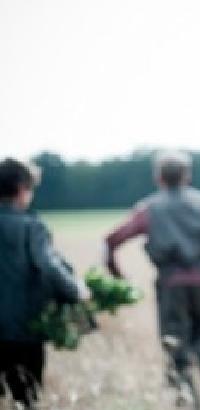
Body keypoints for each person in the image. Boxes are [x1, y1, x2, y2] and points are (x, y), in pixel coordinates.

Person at [104, 150, 200, 408]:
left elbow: (111, 240)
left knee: (174, 342)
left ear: (158, 178)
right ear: (187, 176)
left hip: (170, 283)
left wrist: (116, 273)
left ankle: (189, 399)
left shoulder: (149, 208)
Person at [0, 158, 90, 408]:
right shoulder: (31, 226)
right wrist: (76, 291)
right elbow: (48, 264)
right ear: (22, 189)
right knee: (25, 398)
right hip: (22, 331)